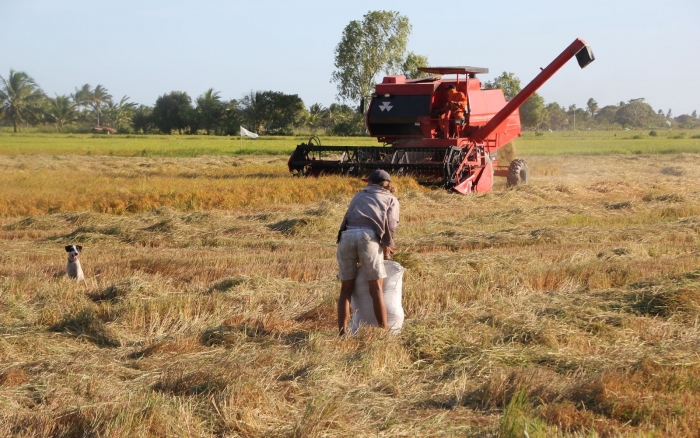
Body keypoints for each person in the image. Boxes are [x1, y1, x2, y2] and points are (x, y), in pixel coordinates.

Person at [336, 169, 400, 336]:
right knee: (376, 289)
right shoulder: (391, 198)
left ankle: (342, 334)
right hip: (368, 238)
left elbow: (346, 220)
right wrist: (387, 247)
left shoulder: (358, 196)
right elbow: (391, 225)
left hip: (346, 236)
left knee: (346, 290)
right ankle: (383, 333)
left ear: (371, 182)